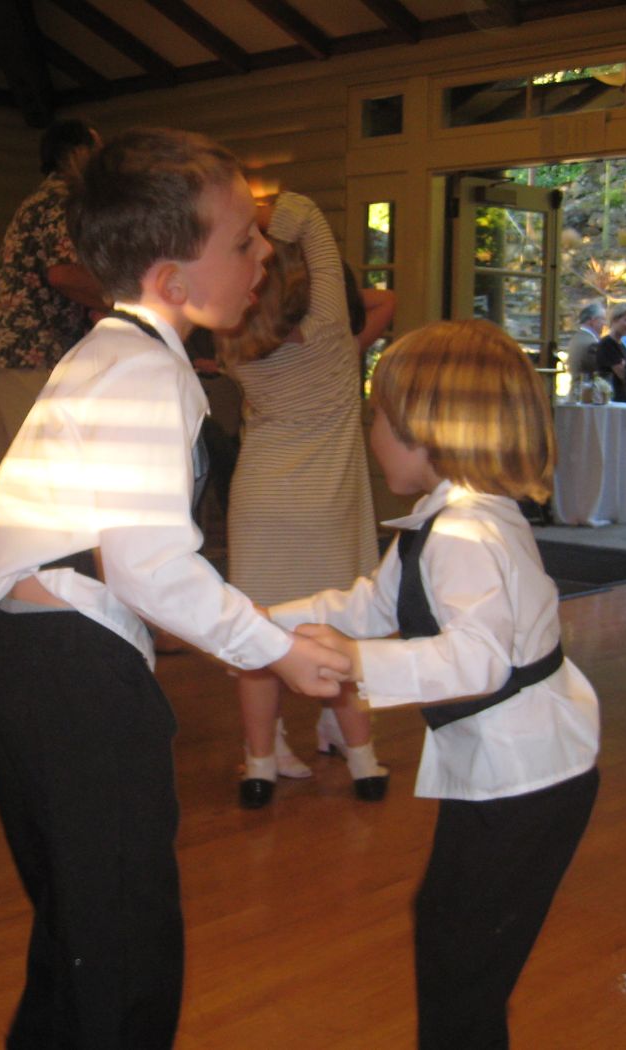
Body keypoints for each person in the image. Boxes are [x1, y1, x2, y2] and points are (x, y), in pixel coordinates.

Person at [0, 127, 353, 1049]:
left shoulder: (113, 356)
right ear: (173, 281)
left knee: (80, 942)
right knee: (124, 953)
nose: (264, 256)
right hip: (72, 679)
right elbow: (149, 568)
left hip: (32, 665)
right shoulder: (143, 371)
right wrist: (277, 650)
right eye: (243, 241)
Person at [273, 319, 600, 1050]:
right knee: (452, 939)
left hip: (527, 782)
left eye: (378, 419)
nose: (371, 435)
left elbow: (478, 662)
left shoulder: (463, 535)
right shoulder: (446, 519)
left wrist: (358, 664)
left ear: (426, 431)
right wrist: (257, 625)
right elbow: (369, 606)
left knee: (463, 965)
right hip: (512, 772)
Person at [215, 192, 385, 810]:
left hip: (259, 497)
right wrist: (261, 215)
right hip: (325, 502)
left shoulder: (233, 340)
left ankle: (262, 760)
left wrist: (230, 227)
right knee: (336, 627)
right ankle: (362, 758)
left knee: (258, 631)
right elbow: (304, 212)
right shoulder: (333, 334)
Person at [0, 120, 107, 480]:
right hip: (31, 351)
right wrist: (124, 301)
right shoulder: (64, 200)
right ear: (77, 153)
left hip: (6, 352)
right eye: (97, 150)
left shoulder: (40, 200)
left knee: (14, 478)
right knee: (44, 474)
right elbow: (63, 274)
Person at [594, 302, 626, 402]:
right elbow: (624, 374)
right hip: (612, 399)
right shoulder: (607, 344)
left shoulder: (622, 345)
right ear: (615, 319)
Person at [565, 301, 605, 382]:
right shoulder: (591, 344)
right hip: (588, 388)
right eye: (603, 319)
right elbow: (602, 371)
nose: (604, 323)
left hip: (576, 387)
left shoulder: (576, 338)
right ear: (592, 320)